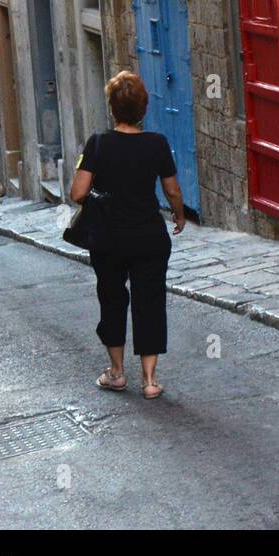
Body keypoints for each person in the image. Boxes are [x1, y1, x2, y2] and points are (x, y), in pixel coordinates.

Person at [69, 71, 184, 399]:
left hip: (108, 238)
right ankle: (150, 381)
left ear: (112, 108)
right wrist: (178, 215)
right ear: (144, 108)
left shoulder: (98, 143)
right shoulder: (157, 144)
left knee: (112, 299)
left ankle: (117, 373)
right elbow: (172, 190)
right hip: (148, 235)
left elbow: (77, 192)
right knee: (150, 302)